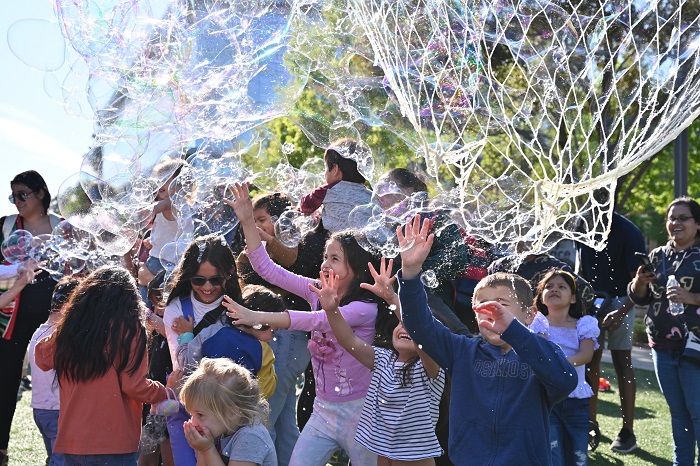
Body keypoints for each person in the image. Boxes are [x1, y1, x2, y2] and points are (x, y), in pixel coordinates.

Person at [224, 181, 388, 466]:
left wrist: (258, 317)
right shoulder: (317, 289)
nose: (324, 264)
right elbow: (267, 269)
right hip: (323, 410)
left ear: (356, 270)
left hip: (360, 413)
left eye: (334, 259)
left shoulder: (365, 308)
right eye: (326, 256)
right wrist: (248, 222)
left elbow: (316, 320)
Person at [397, 214, 577, 465]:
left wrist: (515, 333)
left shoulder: (541, 353)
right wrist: (411, 272)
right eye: (483, 304)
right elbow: (420, 326)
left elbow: (566, 381)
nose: (493, 311)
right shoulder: (462, 351)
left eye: (502, 304)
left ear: (529, 315)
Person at [317, 257, 446, 464]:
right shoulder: (383, 360)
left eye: (409, 326)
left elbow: (422, 335)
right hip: (383, 450)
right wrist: (331, 309)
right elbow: (348, 339)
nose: (404, 328)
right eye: (400, 324)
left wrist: (393, 299)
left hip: (415, 456)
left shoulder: (429, 369)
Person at [34, 266, 168, 465]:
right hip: (115, 442)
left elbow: (42, 357)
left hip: (74, 441)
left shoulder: (74, 327)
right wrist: (164, 393)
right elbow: (134, 385)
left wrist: (69, 321)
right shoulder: (130, 328)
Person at [162, 234, 272, 466]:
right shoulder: (176, 309)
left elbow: (264, 340)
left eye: (216, 279)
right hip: (197, 402)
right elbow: (182, 367)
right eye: (198, 280)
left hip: (232, 407)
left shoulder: (241, 304)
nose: (208, 287)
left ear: (228, 274)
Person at [628, 196, 700, 466]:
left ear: (698, 223)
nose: (675, 223)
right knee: (678, 414)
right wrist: (639, 282)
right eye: (671, 218)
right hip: (660, 345)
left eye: (683, 218)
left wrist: (690, 297)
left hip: (695, 346)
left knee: (697, 412)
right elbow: (640, 298)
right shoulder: (657, 255)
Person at [0, 170, 61, 466]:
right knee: (4, 380)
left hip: (57, 318)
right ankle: (0, 448)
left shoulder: (64, 227)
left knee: (62, 382)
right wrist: (17, 272)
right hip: (11, 316)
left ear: (40, 193)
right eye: (13, 196)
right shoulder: (6, 225)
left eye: (22, 194)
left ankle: (64, 447)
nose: (17, 201)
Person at [575, 207, 647, 453]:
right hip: (591, 299)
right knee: (589, 360)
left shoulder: (628, 231)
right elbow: (580, 271)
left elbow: (638, 284)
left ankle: (628, 431)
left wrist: (620, 311)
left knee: (622, 360)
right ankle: (589, 423)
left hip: (621, 299)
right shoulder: (581, 224)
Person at [531, 270, 599, 466]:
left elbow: (586, 355)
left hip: (577, 400)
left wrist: (557, 364)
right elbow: (541, 354)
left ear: (573, 298)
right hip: (548, 399)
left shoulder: (583, 324)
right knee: (553, 455)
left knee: (578, 455)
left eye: (562, 287)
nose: (554, 289)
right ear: (541, 298)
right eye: (549, 287)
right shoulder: (539, 323)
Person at [178, 358, 277, 466]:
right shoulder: (221, 429)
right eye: (191, 415)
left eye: (200, 415)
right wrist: (202, 450)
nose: (194, 422)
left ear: (232, 413)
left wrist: (208, 450)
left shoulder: (251, 436)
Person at [28, 276, 80, 466]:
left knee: (56, 458)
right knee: (62, 461)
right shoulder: (58, 337)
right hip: (57, 410)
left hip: (42, 409)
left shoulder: (39, 332)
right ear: (67, 307)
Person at [298, 138, 373, 234]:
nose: (324, 173)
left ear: (334, 169)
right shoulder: (370, 195)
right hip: (362, 240)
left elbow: (305, 205)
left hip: (334, 240)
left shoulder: (326, 190)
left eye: (325, 168)